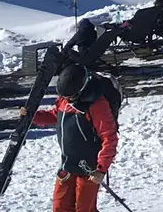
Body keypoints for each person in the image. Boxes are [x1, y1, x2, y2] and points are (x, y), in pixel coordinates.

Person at [26, 63, 119, 212]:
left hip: (89, 170)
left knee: (84, 209)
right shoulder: (64, 100)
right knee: (59, 207)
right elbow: (56, 116)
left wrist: (101, 169)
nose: (66, 99)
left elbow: (109, 137)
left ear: (81, 90)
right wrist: (32, 116)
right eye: (64, 96)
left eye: (70, 96)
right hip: (67, 165)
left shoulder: (96, 105)